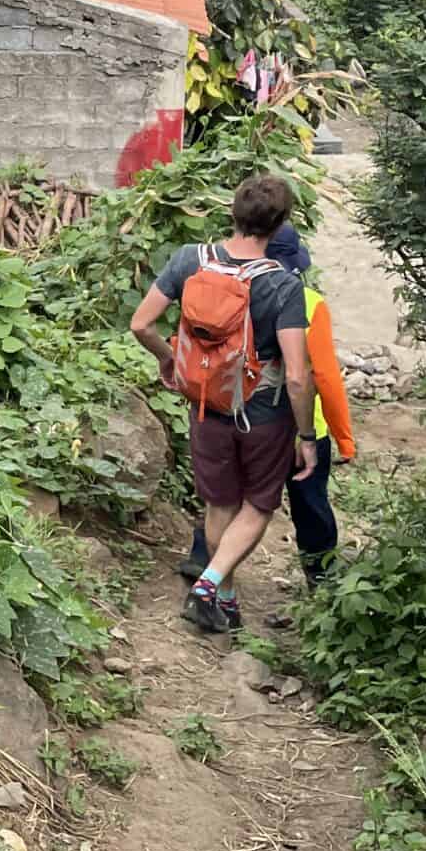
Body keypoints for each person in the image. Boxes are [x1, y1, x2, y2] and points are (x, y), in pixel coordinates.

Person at [130, 173, 316, 634]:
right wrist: (307, 436)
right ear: (280, 226)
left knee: (220, 502)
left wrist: (171, 360)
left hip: (205, 404)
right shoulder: (284, 287)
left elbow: (140, 324)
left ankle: (226, 600)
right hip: (264, 414)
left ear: (231, 213)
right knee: (257, 505)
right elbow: (296, 376)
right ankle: (211, 583)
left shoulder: (191, 260)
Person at [174, 226, 357, 596]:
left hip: (234, 411)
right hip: (295, 426)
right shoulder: (306, 301)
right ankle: (322, 585)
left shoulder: (224, 288)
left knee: (227, 496)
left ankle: (204, 560)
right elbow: (321, 375)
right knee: (309, 506)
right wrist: (344, 438)